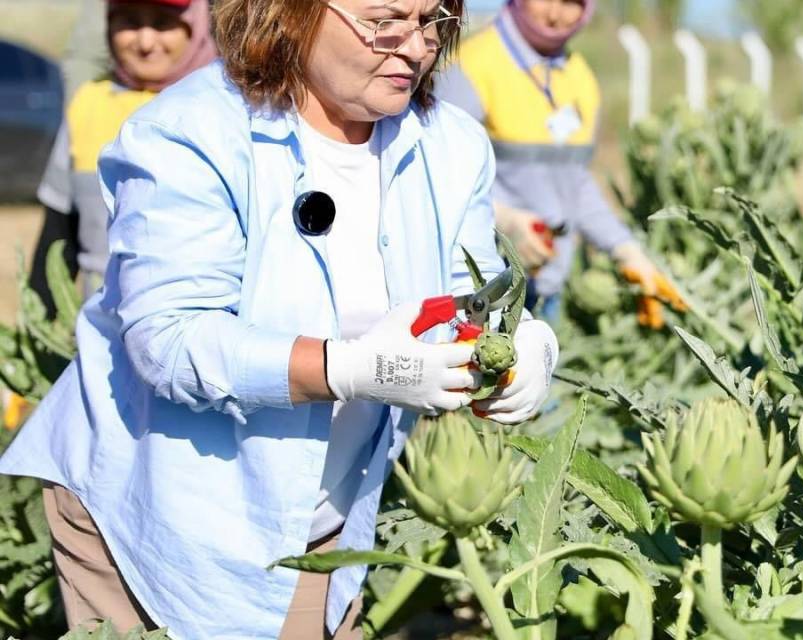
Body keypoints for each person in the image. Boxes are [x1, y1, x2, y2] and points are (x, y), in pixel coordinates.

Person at [0, 0, 559, 637]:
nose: (416, 46)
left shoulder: (452, 147)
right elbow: (171, 339)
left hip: (324, 513)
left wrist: (523, 344)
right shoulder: (190, 131)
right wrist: (349, 368)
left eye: (435, 20)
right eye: (385, 21)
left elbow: (475, 295)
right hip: (162, 507)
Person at [435, 0, 686, 327]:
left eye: (571, 2)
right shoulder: (470, 67)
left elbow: (575, 185)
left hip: (547, 289)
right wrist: (504, 223)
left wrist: (627, 251)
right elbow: (436, 180)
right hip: (475, 293)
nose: (555, 13)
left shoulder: (580, 77)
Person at [29, 0, 216, 306]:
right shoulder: (88, 106)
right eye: (129, 22)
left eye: (162, 23)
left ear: (195, 25)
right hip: (100, 345)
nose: (145, 42)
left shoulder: (226, 109)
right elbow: (57, 239)